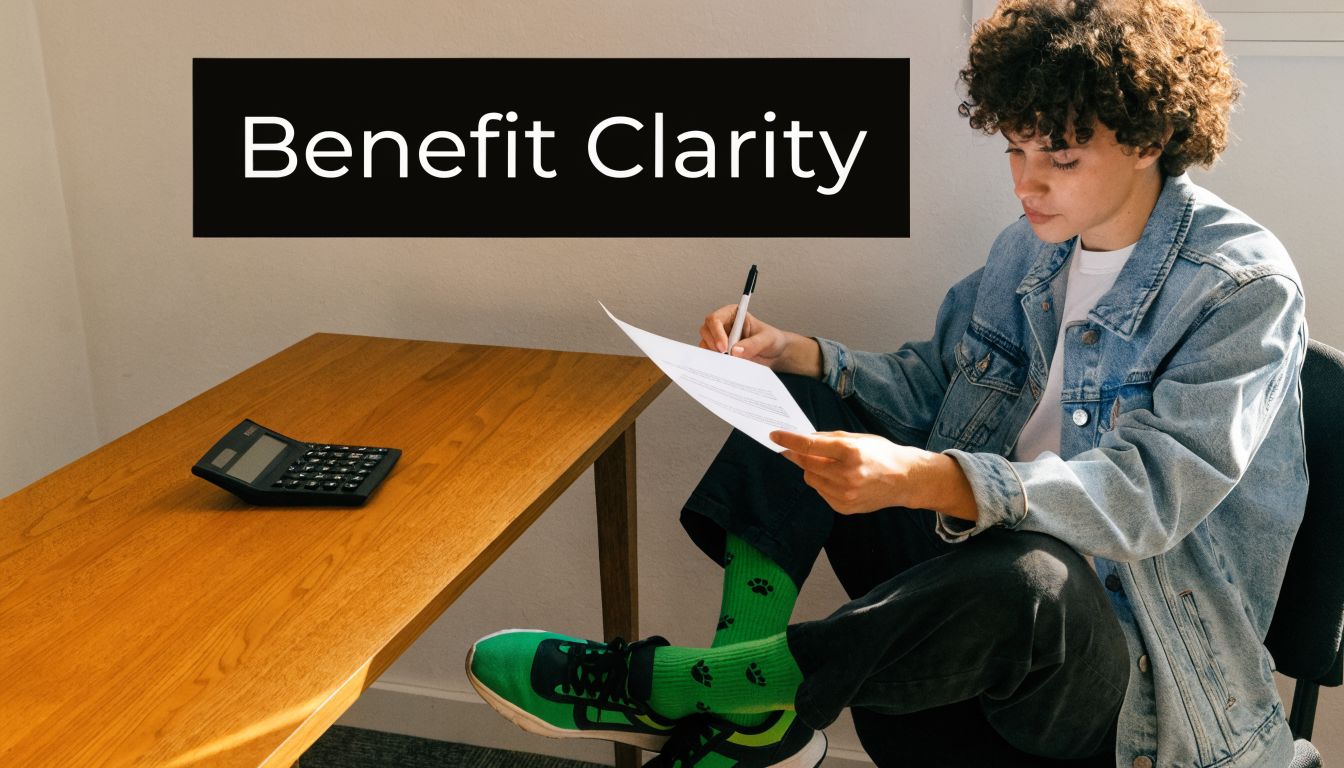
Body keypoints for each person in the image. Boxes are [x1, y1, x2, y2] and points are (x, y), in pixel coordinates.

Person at [465, 0, 1309, 765]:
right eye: (1014, 149)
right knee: (800, 404)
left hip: (1122, 660)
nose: (1025, 183)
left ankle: (696, 685)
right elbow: (936, 383)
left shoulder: (1241, 289)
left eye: (1059, 154)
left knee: (1034, 577)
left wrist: (931, 479)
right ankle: (754, 721)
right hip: (969, 566)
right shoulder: (1033, 250)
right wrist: (797, 353)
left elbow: (1149, 497)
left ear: (1147, 137)